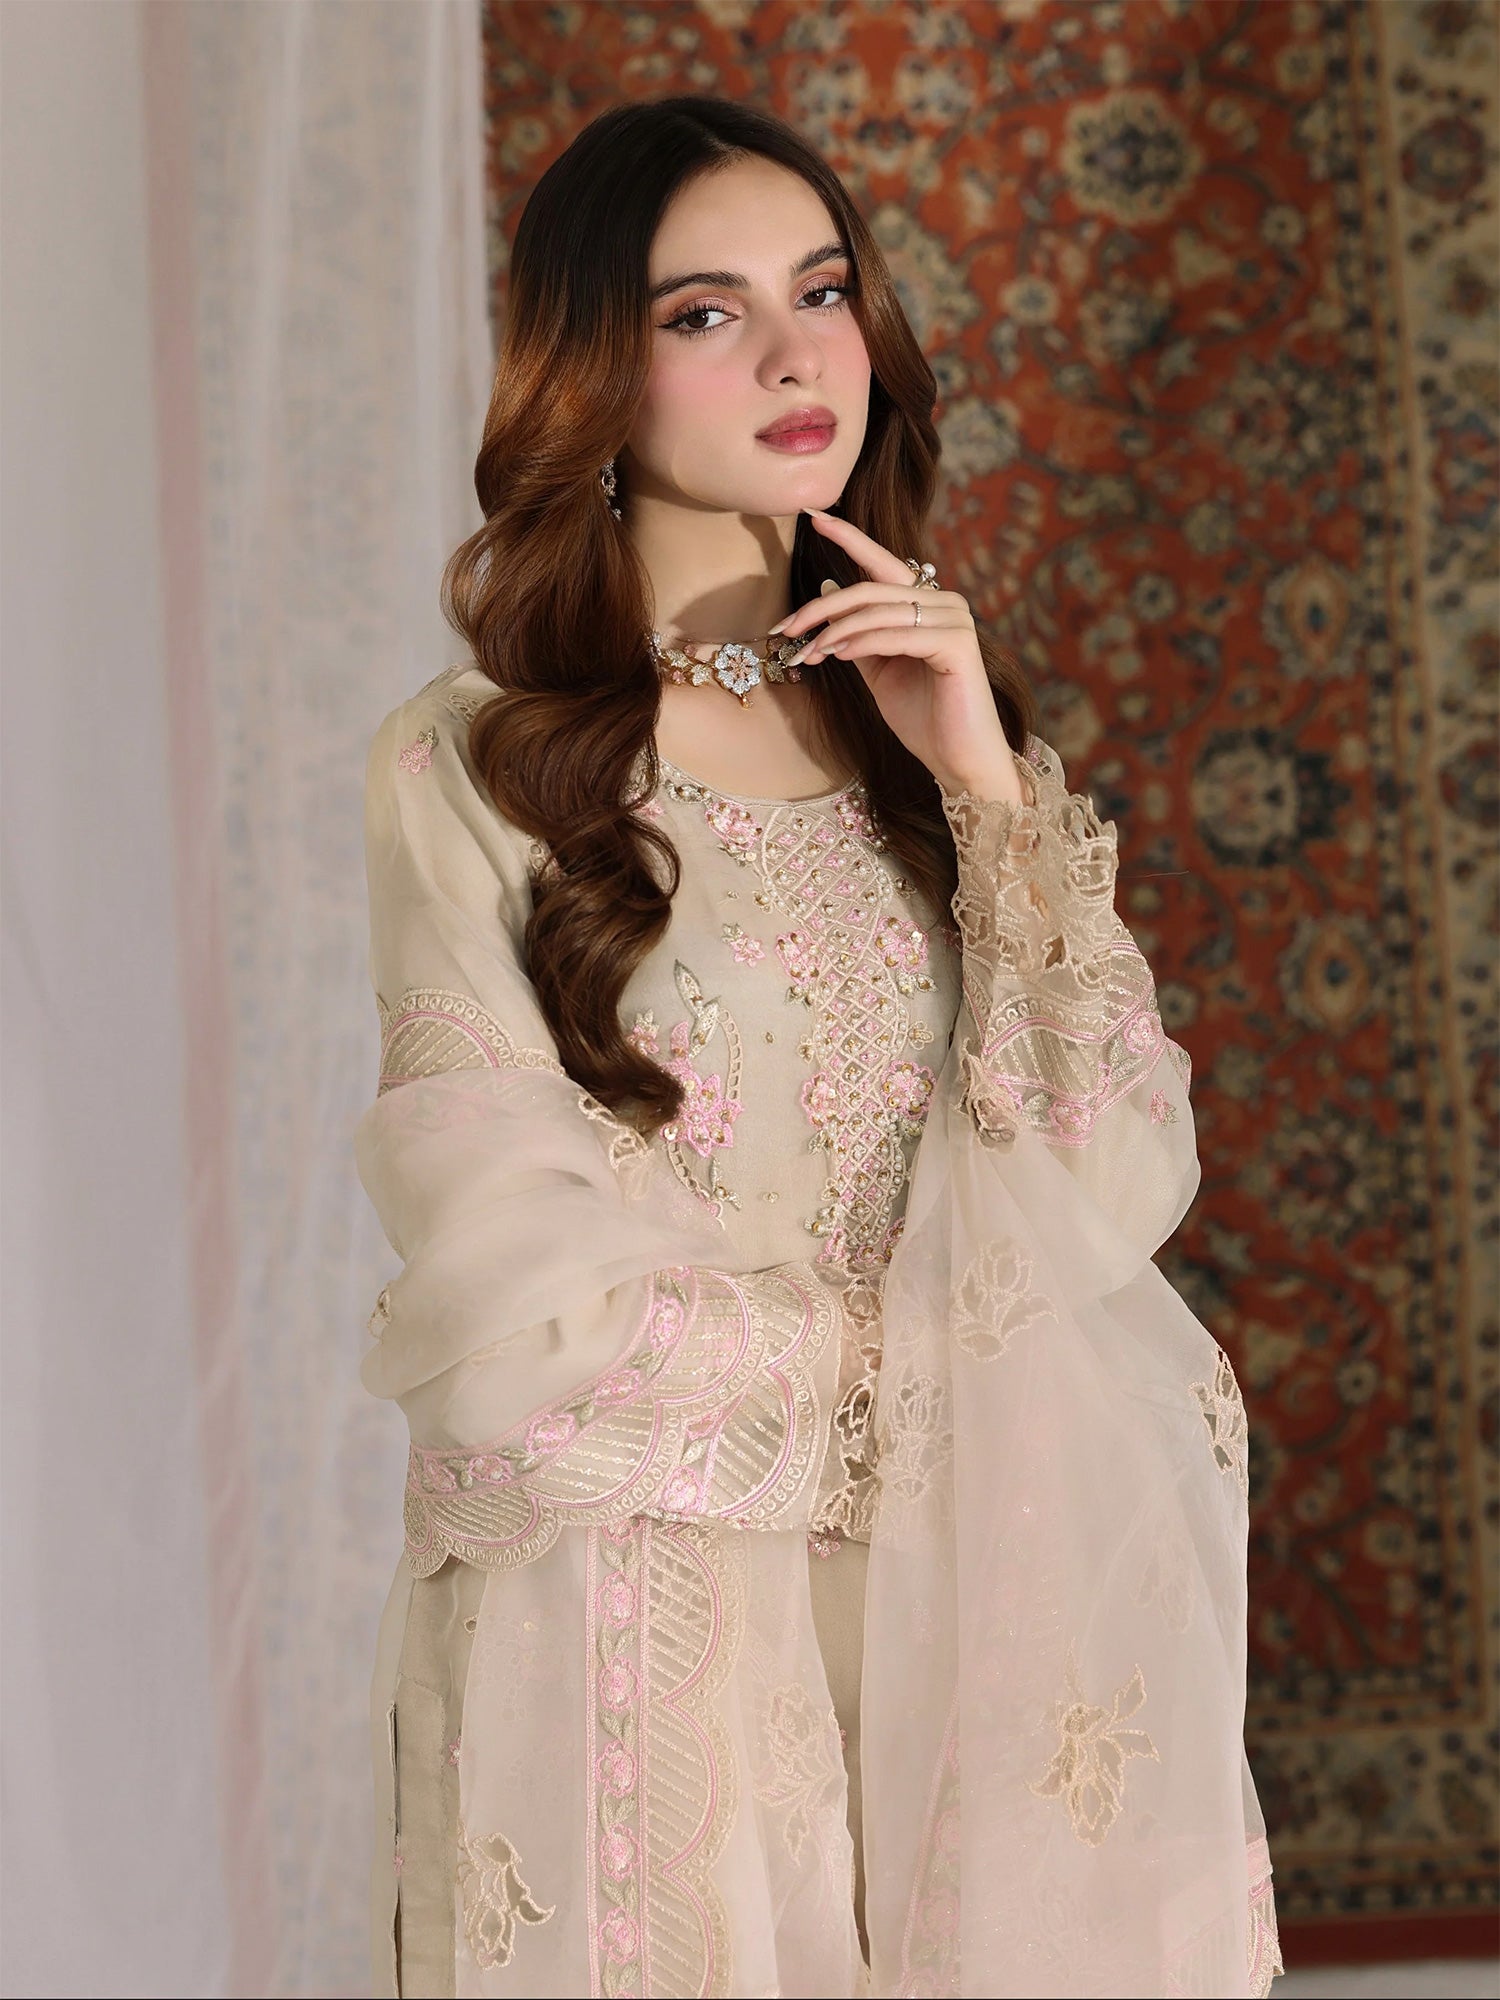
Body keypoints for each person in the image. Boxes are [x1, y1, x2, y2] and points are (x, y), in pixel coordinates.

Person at [355, 94, 1282, 2000]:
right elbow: (503, 1277)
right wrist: (901, 1384)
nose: (796, 356)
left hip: (970, 1603)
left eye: (824, 291)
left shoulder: (935, 738)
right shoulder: (481, 761)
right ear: (592, 372)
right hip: (647, 1605)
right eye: (706, 313)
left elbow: (1111, 1179)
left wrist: (987, 790)